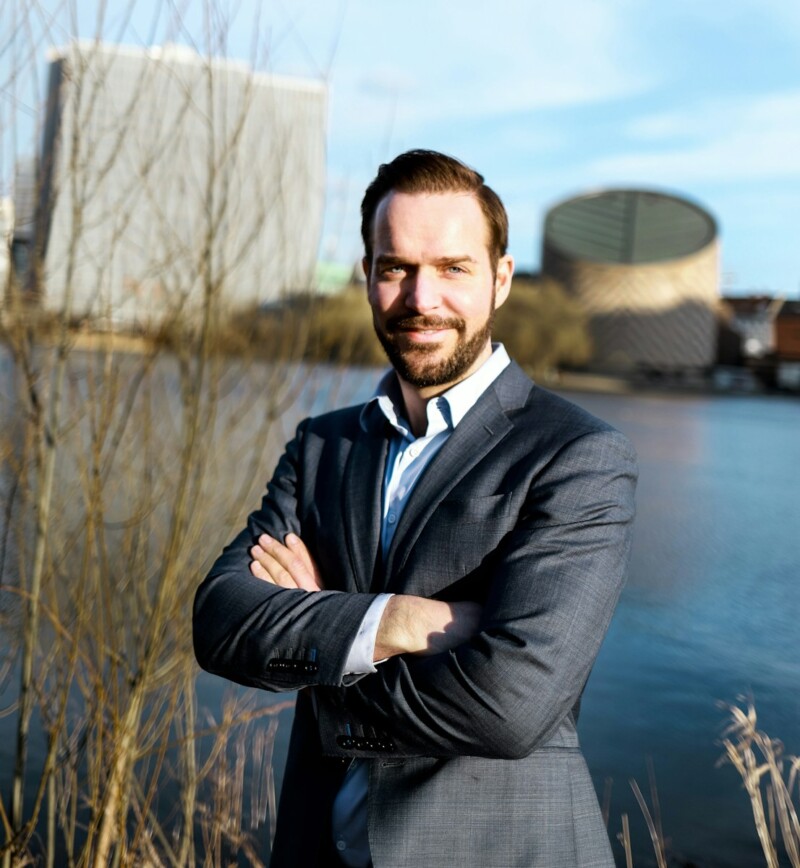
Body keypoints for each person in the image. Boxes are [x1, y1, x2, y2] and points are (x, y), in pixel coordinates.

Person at [193, 149, 637, 868]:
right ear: (366, 276)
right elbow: (218, 621)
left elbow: (510, 706)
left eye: (453, 269)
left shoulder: (576, 456)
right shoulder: (323, 446)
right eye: (395, 267)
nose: (420, 298)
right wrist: (393, 621)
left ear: (500, 279)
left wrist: (327, 646)